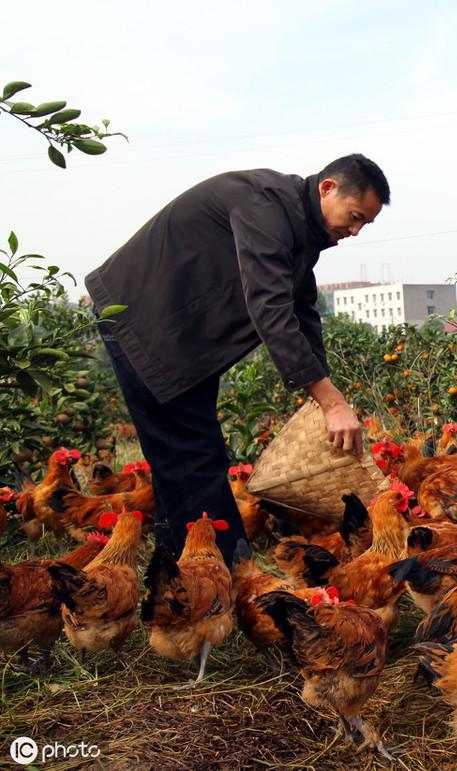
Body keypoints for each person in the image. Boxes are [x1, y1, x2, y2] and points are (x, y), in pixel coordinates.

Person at [85, 154, 389, 564]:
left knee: (184, 452)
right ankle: (224, 571)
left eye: (363, 225)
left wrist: (326, 395)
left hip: (184, 334)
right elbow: (270, 307)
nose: (354, 231)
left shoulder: (299, 227)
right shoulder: (264, 205)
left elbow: (303, 310)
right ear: (327, 188)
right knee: (193, 452)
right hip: (140, 321)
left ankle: (182, 562)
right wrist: (330, 402)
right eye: (354, 217)